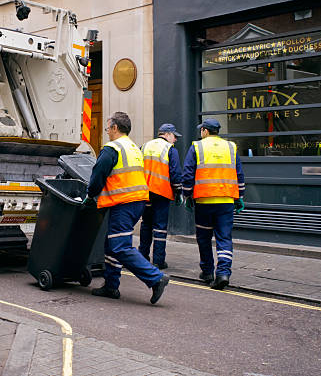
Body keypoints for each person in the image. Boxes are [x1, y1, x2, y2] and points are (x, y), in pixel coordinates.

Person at [84, 112, 169, 304]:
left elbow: (98, 175)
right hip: (136, 201)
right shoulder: (133, 147)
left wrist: (90, 194)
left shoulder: (112, 148)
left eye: (107, 128)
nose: (107, 132)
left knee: (120, 246)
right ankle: (111, 286)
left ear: (115, 128)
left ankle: (156, 279)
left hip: (124, 202)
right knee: (111, 244)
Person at [181, 118, 245, 290]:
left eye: (201, 130)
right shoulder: (231, 147)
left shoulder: (197, 146)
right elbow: (239, 173)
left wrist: (187, 196)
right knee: (224, 237)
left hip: (204, 201)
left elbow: (188, 173)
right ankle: (223, 273)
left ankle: (208, 272)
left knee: (204, 237)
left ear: (205, 131)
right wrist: (240, 197)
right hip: (226, 201)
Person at [139, 124, 183, 269]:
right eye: (174, 136)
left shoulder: (144, 146)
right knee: (159, 227)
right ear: (167, 134)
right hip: (161, 193)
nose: (175, 139)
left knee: (146, 224)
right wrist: (178, 192)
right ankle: (158, 260)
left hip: (145, 192)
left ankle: (142, 256)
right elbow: (175, 173)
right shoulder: (170, 150)